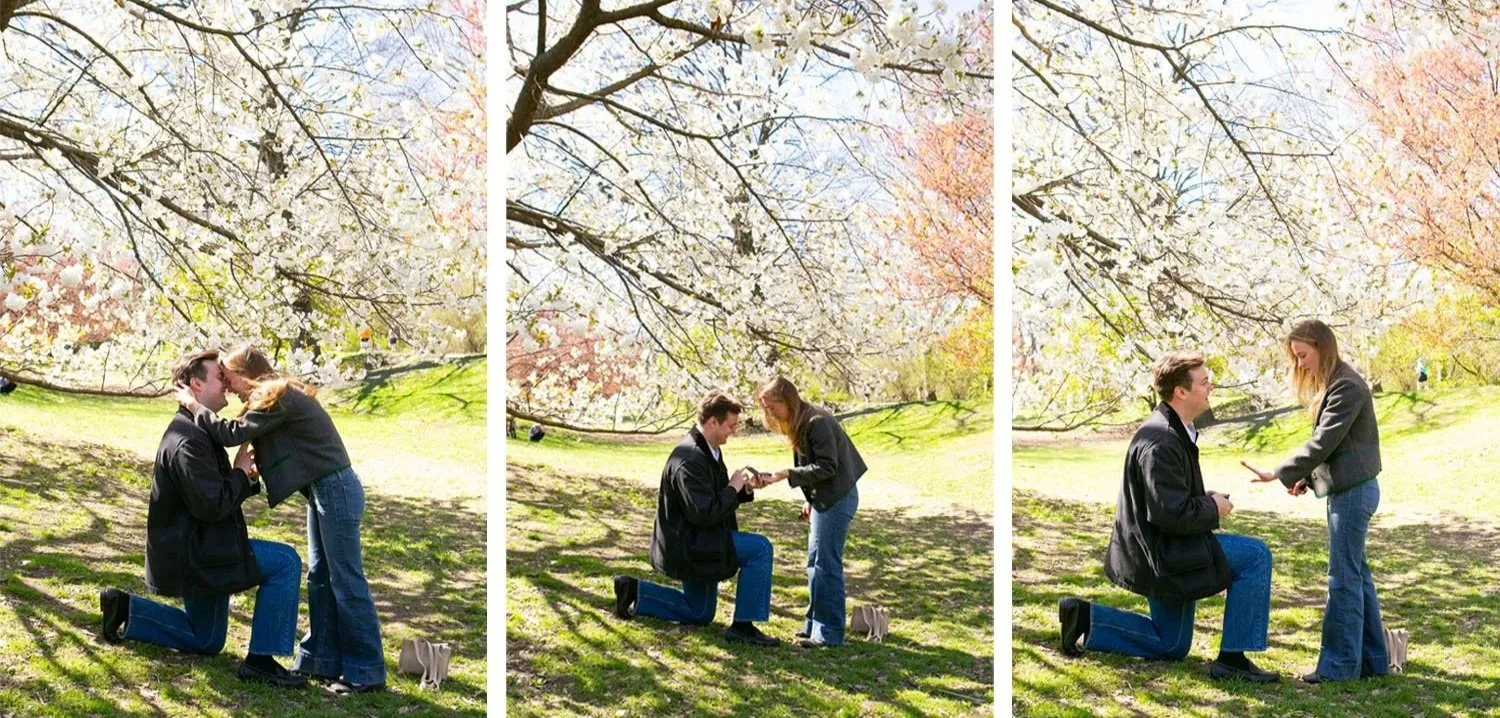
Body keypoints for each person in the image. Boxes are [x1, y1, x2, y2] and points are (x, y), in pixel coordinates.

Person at [174, 345, 386, 694]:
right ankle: (321, 659)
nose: (225, 385)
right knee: (320, 576)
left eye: (227, 376)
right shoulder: (268, 396)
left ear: (244, 374)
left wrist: (194, 406)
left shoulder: (277, 396)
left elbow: (230, 435)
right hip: (323, 491)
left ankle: (366, 670)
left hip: (336, 489)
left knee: (345, 579)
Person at [1059, 351, 1279, 683]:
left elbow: (1166, 498)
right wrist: (1213, 508)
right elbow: (1169, 514)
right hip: (1164, 554)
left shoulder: (1174, 429)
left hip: (1164, 548)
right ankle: (1233, 659)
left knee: (1171, 643)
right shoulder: (1161, 441)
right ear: (1181, 391)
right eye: (1204, 382)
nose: (1211, 387)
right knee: (1255, 557)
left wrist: (1203, 499)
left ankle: (1086, 618)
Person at [100, 349, 306, 688]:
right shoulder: (187, 442)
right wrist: (240, 474)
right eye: (218, 377)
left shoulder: (196, 431)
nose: (226, 383)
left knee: (207, 640)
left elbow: (213, 494)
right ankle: (261, 661)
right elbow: (212, 505)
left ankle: (126, 608)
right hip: (197, 555)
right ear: (196, 384)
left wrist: (246, 478)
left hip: (203, 548)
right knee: (284, 561)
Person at [1243, 319, 1387, 684]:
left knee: (1343, 579)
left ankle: (1339, 667)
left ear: (1323, 347)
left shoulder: (1347, 387)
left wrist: (1279, 473)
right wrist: (1306, 480)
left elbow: (1324, 441)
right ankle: (1371, 660)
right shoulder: (1340, 383)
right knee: (1356, 575)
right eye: (1297, 357)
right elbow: (1337, 447)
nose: (1301, 363)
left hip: (1353, 496)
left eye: (1304, 355)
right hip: (1348, 491)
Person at [611, 390, 779, 647]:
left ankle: (634, 590)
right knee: (760, 548)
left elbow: (714, 498)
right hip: (691, 544)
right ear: (713, 422)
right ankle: (744, 626)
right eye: (730, 426)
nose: (732, 432)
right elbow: (704, 513)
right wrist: (733, 488)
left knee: (699, 612)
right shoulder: (689, 460)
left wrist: (744, 490)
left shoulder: (708, 449)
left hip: (703, 538)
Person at [751, 376, 866, 649]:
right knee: (814, 562)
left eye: (772, 407)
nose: (770, 413)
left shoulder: (817, 422)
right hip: (824, 500)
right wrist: (811, 500)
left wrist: (784, 475)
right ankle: (813, 625)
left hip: (838, 499)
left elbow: (828, 467)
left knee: (827, 565)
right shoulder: (801, 421)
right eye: (766, 408)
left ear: (787, 400)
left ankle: (829, 634)